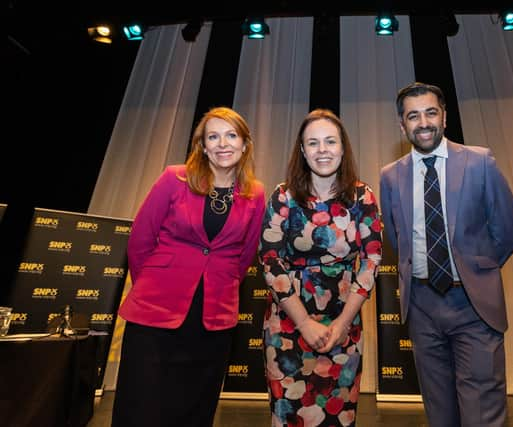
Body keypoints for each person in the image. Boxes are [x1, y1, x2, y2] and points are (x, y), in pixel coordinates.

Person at [111, 106, 266, 427]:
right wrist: (154, 285)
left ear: (245, 144)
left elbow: (246, 254)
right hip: (155, 311)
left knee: (195, 403)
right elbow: (140, 240)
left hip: (213, 316)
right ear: (202, 146)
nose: (223, 143)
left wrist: (220, 285)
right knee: (142, 402)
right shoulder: (174, 178)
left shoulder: (256, 193)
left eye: (231, 135)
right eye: (213, 136)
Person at [379, 83, 513, 427]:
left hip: (473, 305)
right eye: (413, 116)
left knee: (482, 408)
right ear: (402, 125)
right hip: (422, 306)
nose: (423, 122)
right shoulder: (390, 176)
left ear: (444, 116)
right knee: (439, 411)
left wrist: (476, 272)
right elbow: (396, 241)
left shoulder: (479, 162)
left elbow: (506, 232)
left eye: (430, 112)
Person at [259, 109, 382, 427]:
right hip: (287, 327)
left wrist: (342, 323)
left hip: (344, 326)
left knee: (338, 415)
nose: (322, 149)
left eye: (330, 141)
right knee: (289, 417)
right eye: (313, 143)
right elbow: (270, 261)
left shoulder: (362, 196)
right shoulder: (283, 196)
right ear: (302, 150)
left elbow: (371, 260)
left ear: (343, 147)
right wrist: (304, 323)